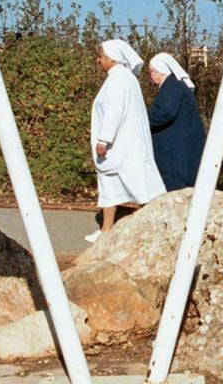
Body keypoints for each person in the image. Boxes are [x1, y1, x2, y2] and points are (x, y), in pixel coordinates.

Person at [86, 39, 167, 242]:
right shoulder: (121, 78)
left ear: (112, 58)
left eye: (101, 57)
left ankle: (158, 229)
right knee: (109, 187)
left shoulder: (119, 80)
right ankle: (106, 230)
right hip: (122, 147)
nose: (98, 60)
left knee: (142, 189)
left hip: (124, 147)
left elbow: (114, 111)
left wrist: (104, 140)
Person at [146, 53, 206, 191]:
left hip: (177, 149)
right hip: (180, 146)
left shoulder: (171, 86)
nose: (150, 75)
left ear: (162, 71)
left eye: (152, 71)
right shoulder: (174, 86)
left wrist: (140, 120)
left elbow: (164, 113)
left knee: (177, 188)